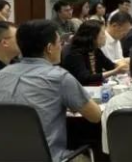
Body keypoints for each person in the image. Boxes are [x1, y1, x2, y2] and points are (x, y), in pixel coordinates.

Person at [0, 20, 101, 161]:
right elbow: (95, 116)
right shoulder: (59, 77)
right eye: (60, 42)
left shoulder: (3, 74)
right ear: (49, 48)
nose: (62, 47)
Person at [61, 20, 129, 86]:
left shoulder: (94, 49)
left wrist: (122, 67)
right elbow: (85, 78)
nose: (105, 37)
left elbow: (109, 65)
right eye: (103, 34)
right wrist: (115, 71)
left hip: (94, 87)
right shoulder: (73, 52)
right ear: (93, 36)